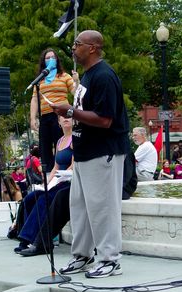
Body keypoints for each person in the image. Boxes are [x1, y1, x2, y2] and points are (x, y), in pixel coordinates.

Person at [50, 30, 130, 278]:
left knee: (103, 208)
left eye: (77, 44)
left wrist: (71, 112)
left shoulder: (104, 76)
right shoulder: (87, 76)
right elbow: (85, 112)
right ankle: (82, 256)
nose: (73, 48)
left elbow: (106, 119)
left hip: (103, 152)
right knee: (80, 208)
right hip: (84, 152)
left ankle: (110, 260)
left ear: (93, 47)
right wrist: (68, 112)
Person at [14, 116, 73, 253]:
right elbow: (55, 167)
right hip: (57, 181)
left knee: (43, 200)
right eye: (62, 117)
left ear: (74, 120)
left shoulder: (74, 140)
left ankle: (30, 240)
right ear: (58, 121)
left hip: (68, 181)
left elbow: (73, 165)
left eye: (69, 116)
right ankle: (28, 236)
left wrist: (59, 178)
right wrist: (46, 183)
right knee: (31, 198)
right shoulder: (59, 141)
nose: (65, 119)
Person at [30, 48, 79, 172]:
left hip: (61, 116)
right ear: (43, 61)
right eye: (47, 58)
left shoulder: (64, 76)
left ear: (57, 60)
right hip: (45, 116)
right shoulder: (40, 80)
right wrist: (33, 118)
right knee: (44, 147)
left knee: (61, 144)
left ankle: (64, 169)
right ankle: (47, 174)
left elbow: (76, 93)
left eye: (53, 57)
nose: (50, 60)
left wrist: (76, 81)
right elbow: (35, 99)